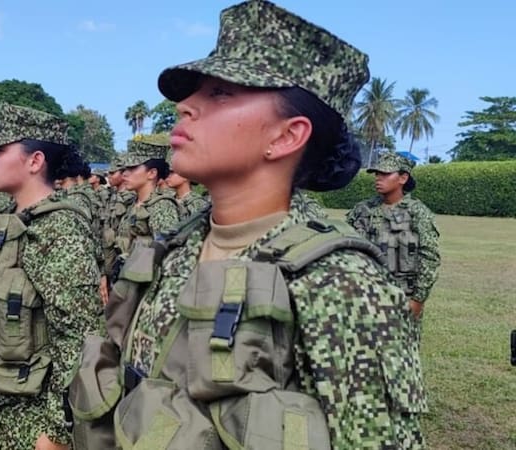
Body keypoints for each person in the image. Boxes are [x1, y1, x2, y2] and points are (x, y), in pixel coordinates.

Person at [69, 1, 425, 448]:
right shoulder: (175, 247)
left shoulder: (343, 284)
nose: (184, 106)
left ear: (286, 136)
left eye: (221, 93)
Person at [0, 103, 101, 449]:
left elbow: (79, 336)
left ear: (35, 161)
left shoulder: (58, 228)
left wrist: (58, 431)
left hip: (30, 416)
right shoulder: (7, 219)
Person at [347, 152, 440, 331]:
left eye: (385, 174)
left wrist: (418, 299)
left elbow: (430, 257)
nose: (378, 178)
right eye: (377, 174)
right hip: (363, 294)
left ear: (403, 178)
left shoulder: (417, 213)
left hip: (401, 297)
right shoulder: (363, 210)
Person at [113, 138, 180, 266]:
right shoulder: (132, 203)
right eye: (125, 169)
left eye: (132, 168)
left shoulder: (161, 207)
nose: (125, 174)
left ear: (152, 173)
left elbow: (168, 258)